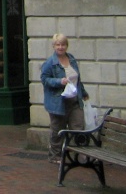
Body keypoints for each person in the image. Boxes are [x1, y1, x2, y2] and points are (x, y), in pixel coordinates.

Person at [41, 33, 90, 164]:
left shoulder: (72, 59)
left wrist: (83, 93)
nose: (61, 47)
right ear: (54, 46)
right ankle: (55, 155)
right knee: (58, 130)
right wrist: (59, 81)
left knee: (78, 128)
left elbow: (78, 79)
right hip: (58, 102)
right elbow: (44, 80)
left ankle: (81, 155)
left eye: (63, 44)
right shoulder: (50, 63)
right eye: (58, 45)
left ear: (66, 46)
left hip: (75, 100)